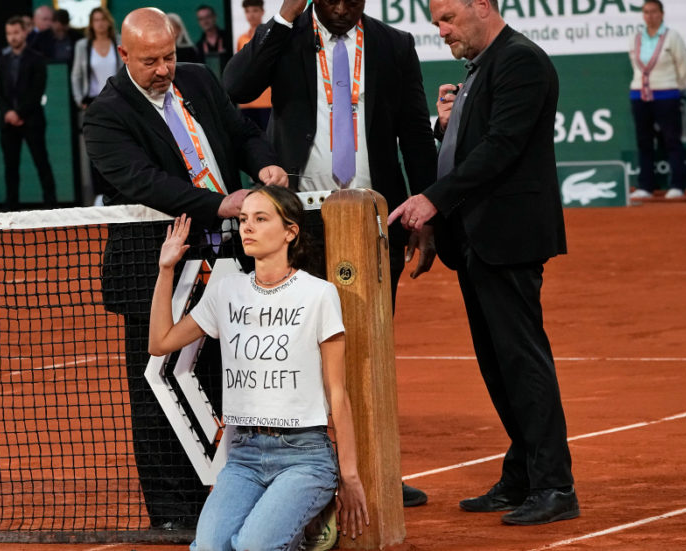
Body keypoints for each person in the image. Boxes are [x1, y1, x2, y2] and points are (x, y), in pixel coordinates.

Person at [224, 0, 438, 508]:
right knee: (299, 351)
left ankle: (375, 466)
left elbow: (414, 133)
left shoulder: (394, 44)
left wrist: (429, 216)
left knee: (369, 346)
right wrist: (281, 18)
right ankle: (305, 473)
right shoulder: (288, 36)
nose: (342, 7)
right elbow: (235, 88)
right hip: (302, 221)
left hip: (374, 216)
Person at [83, 7, 286, 531]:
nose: (164, 68)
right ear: (124, 55)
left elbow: (241, 131)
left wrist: (262, 161)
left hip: (225, 262)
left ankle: (227, 500)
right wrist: (218, 204)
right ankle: (173, 516)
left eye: (169, 56)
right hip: (158, 270)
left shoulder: (196, 77)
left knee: (224, 383)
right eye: (150, 61)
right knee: (158, 391)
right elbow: (144, 181)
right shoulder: (105, 114)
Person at [388, 0, 578, 526]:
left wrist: (433, 199)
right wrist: (445, 125)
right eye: (436, 20)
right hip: (478, 239)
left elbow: (502, 148)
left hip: (508, 238)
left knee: (521, 360)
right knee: (499, 365)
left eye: (448, 18)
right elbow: (474, 144)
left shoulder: (520, 61)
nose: (439, 29)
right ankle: (522, 476)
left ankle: (555, 485)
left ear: (483, 7)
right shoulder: (481, 68)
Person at [148, 186, 369, 548]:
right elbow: (160, 342)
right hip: (245, 456)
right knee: (208, 547)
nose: (247, 227)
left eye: (260, 219)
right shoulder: (226, 292)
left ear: (290, 231)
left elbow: (337, 393)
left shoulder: (318, 293)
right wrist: (165, 270)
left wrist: (350, 475)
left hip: (304, 457)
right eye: (243, 219)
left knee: (250, 546)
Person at [627, 0, 686, 200]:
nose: (650, 16)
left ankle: (678, 185)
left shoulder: (673, 37)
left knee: (672, 140)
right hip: (639, 95)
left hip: (667, 94)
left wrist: (675, 87)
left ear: (662, 14)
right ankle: (646, 186)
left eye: (654, 12)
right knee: (644, 141)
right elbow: (635, 66)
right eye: (646, 12)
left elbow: (683, 66)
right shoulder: (636, 37)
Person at [0, 15, 58, 210]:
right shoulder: (2, 61)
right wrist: (7, 113)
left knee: (41, 163)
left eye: (16, 32)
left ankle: (51, 206)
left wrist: (19, 113)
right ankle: (10, 208)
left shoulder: (37, 60)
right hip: (7, 124)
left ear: (24, 33)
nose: (13, 37)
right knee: (10, 168)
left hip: (32, 122)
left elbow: (36, 91)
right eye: (9, 33)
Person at [71, 7, 121, 205]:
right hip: (93, 103)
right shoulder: (83, 46)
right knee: (95, 149)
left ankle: (117, 192)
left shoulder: (119, 42)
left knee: (119, 147)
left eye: (103, 19)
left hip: (117, 101)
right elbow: (76, 75)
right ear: (91, 24)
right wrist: (79, 99)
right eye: (96, 20)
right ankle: (100, 195)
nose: (100, 23)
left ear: (108, 21)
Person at [234, 0, 271, 131]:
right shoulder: (242, 39)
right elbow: (239, 69)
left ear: (262, 12)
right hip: (247, 101)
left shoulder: (270, 35)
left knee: (269, 138)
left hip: (267, 99)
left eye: (255, 10)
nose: (251, 15)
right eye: (248, 11)